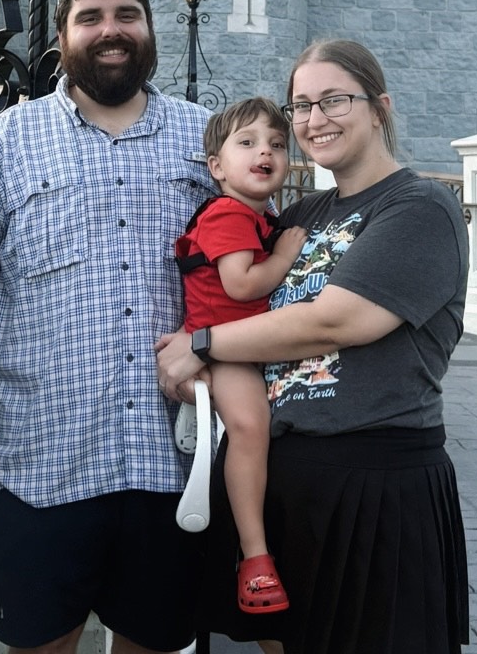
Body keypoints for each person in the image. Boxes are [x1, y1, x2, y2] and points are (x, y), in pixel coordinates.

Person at [0, 0, 216, 654]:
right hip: (43, 456)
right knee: (40, 642)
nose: (109, 30)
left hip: (170, 457)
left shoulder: (207, 140)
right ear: (62, 37)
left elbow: (248, 274)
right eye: (90, 17)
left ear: (149, 30)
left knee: (152, 641)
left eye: (126, 14)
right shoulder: (6, 143)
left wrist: (210, 347)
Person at [156, 39, 470, 654]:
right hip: (282, 475)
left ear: (379, 107)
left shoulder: (419, 206)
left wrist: (204, 343)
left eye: (333, 100)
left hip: (374, 478)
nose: (312, 120)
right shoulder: (302, 212)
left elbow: (337, 322)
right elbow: (232, 287)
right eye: (300, 105)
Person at [174, 98, 307, 615]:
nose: (265, 152)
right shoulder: (230, 213)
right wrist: (285, 257)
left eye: (277, 144)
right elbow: (242, 283)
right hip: (227, 351)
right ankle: (254, 558)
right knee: (251, 427)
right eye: (247, 143)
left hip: (242, 343)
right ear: (216, 166)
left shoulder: (258, 214)